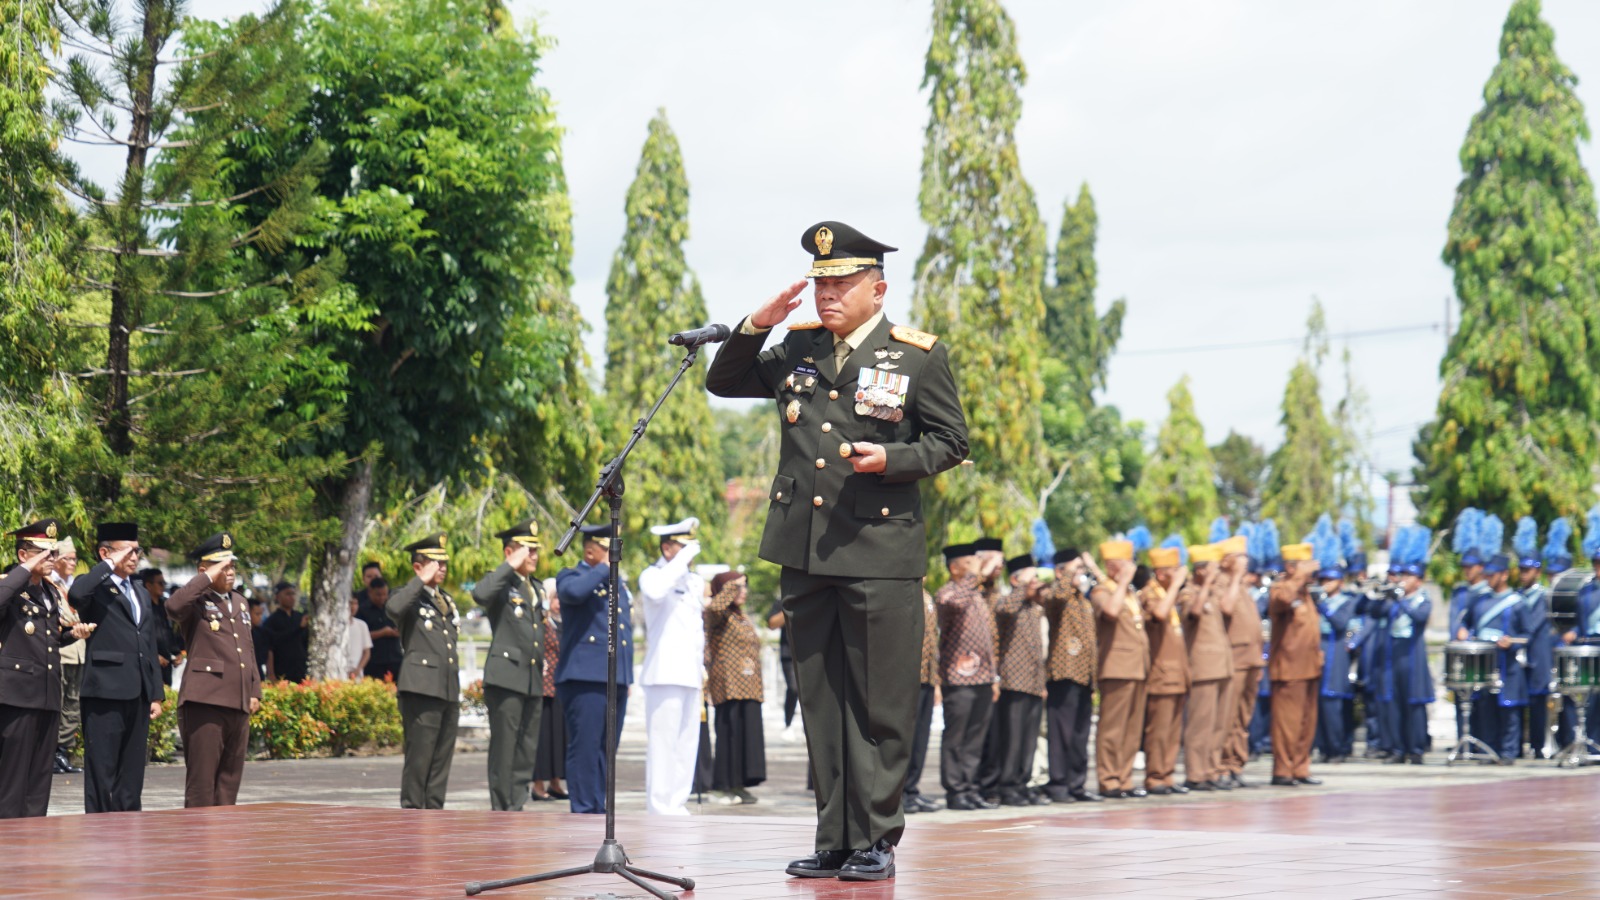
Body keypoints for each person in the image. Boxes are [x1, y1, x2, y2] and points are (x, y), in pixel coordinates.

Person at [706, 220, 967, 882]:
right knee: (821, 699)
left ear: (876, 290)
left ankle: (877, 837)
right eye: (821, 284)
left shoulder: (916, 357)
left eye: (842, 284)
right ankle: (835, 838)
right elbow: (725, 381)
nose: (827, 296)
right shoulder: (798, 349)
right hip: (807, 553)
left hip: (879, 552)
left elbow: (951, 441)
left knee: (880, 704)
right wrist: (754, 324)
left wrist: (895, 457)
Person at [68, 522, 164, 813]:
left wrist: (156, 692)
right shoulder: (95, 586)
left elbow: (148, 644)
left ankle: (129, 827)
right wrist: (108, 565)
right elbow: (75, 596)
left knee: (132, 770)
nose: (134, 557)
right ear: (104, 553)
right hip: (104, 690)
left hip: (138, 691)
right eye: (128, 551)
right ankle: (98, 827)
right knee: (102, 768)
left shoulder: (140, 591)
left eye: (138, 551)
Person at [1, 520, 92, 817]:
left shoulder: (50, 593)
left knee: (40, 779)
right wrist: (25, 570)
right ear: (23, 556)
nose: (51, 559)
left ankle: (32, 839)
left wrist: (71, 635)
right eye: (44, 553)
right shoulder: (11, 586)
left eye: (52, 553)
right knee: (12, 779)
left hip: (47, 694)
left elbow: (48, 639)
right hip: (18, 696)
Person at [166, 531, 262, 807]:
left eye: (232, 566)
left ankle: (222, 844)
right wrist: (208, 577)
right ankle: (196, 845)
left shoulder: (241, 602)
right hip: (205, 700)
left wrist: (255, 689)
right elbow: (173, 607)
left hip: (238, 700)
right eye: (223, 567)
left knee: (228, 784)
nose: (230, 572)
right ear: (203, 570)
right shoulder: (195, 600)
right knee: (202, 784)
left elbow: (248, 648)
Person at [554, 523, 633, 815]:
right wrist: (605, 568)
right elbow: (573, 593)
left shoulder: (617, 583)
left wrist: (627, 677)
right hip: (584, 677)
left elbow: (623, 631)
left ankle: (600, 809)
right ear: (591, 550)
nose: (616, 555)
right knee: (586, 748)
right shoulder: (571, 575)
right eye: (609, 548)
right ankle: (585, 809)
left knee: (606, 750)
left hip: (614, 678)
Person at [470, 518, 547, 811]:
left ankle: (516, 806)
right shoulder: (501, 582)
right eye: (527, 549)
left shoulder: (534, 587)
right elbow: (480, 594)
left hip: (531, 677)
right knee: (504, 750)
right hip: (506, 678)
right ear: (510, 552)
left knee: (526, 749)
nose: (534, 555)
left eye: (535, 550)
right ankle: (502, 810)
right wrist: (508, 566)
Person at [638, 517, 706, 816]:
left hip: (689, 673)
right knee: (663, 745)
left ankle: (677, 803)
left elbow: (696, 629)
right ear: (667, 548)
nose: (689, 554)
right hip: (664, 672)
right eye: (682, 546)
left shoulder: (692, 581)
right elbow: (655, 593)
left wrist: (701, 665)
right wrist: (682, 560)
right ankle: (658, 806)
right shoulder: (652, 575)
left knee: (686, 744)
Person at [389, 532, 462, 808]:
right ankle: (411, 818)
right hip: (421, 688)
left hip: (447, 688)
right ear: (418, 567)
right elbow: (393, 608)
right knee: (419, 761)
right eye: (435, 562)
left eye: (444, 563)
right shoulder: (407, 596)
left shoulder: (446, 600)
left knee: (441, 763)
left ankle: (434, 815)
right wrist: (419, 581)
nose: (442, 568)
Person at [935, 544, 1000, 812]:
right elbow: (952, 602)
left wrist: (994, 676)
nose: (977, 568)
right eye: (970, 563)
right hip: (958, 678)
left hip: (984, 678)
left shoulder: (978, 596)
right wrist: (979, 571)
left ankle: (970, 787)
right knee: (957, 737)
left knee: (975, 739)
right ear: (954, 568)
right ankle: (955, 790)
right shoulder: (949, 593)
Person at [1091, 531, 1149, 799]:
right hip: (1116, 667)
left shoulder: (1129, 593)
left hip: (1138, 667)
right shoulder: (1103, 591)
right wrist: (1124, 579)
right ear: (1113, 565)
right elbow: (1110, 613)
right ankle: (1109, 779)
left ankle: (1125, 778)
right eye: (1127, 562)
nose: (1132, 567)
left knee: (1132, 728)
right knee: (1113, 728)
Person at [1459, 552, 1531, 763]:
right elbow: (1467, 624)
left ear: (1505, 575)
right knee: (1486, 708)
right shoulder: (1479, 602)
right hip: (1484, 663)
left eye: (1493, 575)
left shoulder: (1517, 603)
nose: (1488, 579)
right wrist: (1465, 632)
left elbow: (1528, 635)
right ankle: (1489, 749)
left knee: (1509, 710)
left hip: (1507, 663)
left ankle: (1508, 752)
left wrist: (1512, 641)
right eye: (1487, 575)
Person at [990, 554, 1049, 806]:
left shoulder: (1034, 608)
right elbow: (1004, 609)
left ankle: (1023, 783)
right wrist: (1022, 585)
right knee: (1013, 739)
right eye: (1030, 576)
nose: (1035, 581)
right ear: (1015, 579)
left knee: (1028, 739)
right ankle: (1008, 785)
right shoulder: (1008, 602)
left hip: (1035, 683)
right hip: (1014, 682)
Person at [1040, 549, 1098, 803]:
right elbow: (1055, 596)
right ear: (1060, 571)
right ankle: (1058, 784)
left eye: (1082, 570)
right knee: (1060, 733)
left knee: (1079, 734)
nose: (1081, 574)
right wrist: (1068, 573)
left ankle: (1077, 784)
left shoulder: (1083, 600)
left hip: (1084, 675)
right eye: (1077, 570)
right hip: (1063, 673)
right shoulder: (1056, 595)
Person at [1268, 534, 1325, 787]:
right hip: (1289, 669)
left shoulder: (1305, 591)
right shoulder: (1281, 587)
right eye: (1305, 564)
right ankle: (1283, 770)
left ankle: (1300, 767)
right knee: (1287, 724)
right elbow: (1281, 601)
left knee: (1306, 722)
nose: (1312, 569)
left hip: (1309, 667)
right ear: (1291, 567)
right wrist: (1299, 576)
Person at [704, 571, 766, 804]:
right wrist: (731, 587)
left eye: (744, 587)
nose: (744, 591)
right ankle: (722, 786)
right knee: (728, 734)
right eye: (738, 587)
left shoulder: (741, 617)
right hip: (728, 685)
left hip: (749, 687)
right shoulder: (718, 615)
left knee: (746, 738)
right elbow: (714, 608)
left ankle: (739, 784)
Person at [1182, 537, 1233, 791]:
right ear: (1200, 569)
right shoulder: (1189, 592)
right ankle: (1195, 772)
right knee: (1200, 724)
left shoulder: (1215, 592)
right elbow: (1193, 611)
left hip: (1222, 665)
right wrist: (1207, 584)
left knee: (1218, 724)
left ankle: (1211, 770)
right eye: (1212, 567)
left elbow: (1229, 606)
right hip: (1202, 667)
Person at [1378, 525, 1433, 765]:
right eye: (1403, 576)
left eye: (1409, 576)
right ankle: (1398, 748)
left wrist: (1402, 601)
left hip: (1413, 655)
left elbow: (1420, 618)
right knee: (1395, 703)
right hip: (1394, 655)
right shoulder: (1395, 598)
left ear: (1419, 581)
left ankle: (1416, 748)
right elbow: (1374, 611)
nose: (1403, 580)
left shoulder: (1422, 599)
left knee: (1414, 704)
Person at [1141, 537, 1191, 796]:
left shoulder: (1169, 595)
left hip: (1177, 673)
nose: (1179, 575)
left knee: (1172, 730)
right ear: (1160, 574)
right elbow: (1159, 614)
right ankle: (1155, 776)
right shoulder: (1151, 593)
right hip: (1161, 674)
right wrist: (1175, 587)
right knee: (1159, 730)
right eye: (1173, 571)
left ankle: (1168, 774)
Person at [1217, 527, 1262, 788]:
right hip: (1234, 659)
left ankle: (1236, 764)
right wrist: (1234, 577)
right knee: (1228, 716)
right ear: (1227, 560)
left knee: (1242, 718)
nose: (1245, 561)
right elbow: (1226, 608)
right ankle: (1222, 765)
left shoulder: (1244, 586)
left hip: (1252, 659)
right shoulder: (1224, 583)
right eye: (1240, 556)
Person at [1313, 529, 1359, 764]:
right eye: (1322, 580)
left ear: (1340, 582)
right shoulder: (1317, 600)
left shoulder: (1347, 601)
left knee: (1333, 704)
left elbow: (1340, 623)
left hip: (1336, 650)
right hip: (1318, 649)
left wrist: (1323, 606)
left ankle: (1338, 748)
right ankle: (1324, 748)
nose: (1325, 584)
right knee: (1319, 704)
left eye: (1329, 580)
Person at [1515, 517, 1554, 758]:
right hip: (1520, 657)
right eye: (1520, 569)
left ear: (1537, 572)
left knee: (1538, 704)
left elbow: (1532, 625)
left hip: (1538, 655)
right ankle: (1519, 745)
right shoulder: (1517, 595)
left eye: (1527, 570)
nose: (1523, 574)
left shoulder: (1543, 596)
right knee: (1519, 702)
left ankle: (1538, 747)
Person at [902, 579, 941, 814]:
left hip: (927, 676)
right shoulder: (902, 594)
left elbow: (933, 641)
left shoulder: (927, 596)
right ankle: (899, 793)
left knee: (920, 739)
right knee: (905, 739)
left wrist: (936, 681)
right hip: (907, 677)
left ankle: (911, 790)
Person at [50, 536, 85, 774]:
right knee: (57, 702)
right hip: (60, 653)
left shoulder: (75, 585)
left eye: (74, 559)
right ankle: (51, 753)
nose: (73, 563)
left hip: (78, 652)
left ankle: (62, 751)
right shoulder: (50, 584)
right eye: (68, 559)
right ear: (57, 560)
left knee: (73, 705)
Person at [530, 587, 567, 802]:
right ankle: (537, 785)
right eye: (555, 599)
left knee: (558, 738)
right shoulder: (542, 624)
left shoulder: (565, 623)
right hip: (544, 687)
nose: (559, 603)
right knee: (542, 738)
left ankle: (555, 782)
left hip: (561, 686)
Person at [261, 582, 309, 682]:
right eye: (287, 594)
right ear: (278, 597)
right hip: (282, 671)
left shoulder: (299, 617)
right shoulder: (272, 620)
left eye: (293, 594)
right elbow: (271, 646)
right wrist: (271, 674)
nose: (291, 597)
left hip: (301, 670)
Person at [357, 578, 401, 682]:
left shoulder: (392, 608)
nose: (382, 597)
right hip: (375, 661)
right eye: (378, 595)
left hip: (395, 658)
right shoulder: (362, 610)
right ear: (370, 592)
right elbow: (360, 637)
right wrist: (382, 633)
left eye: (385, 594)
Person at [341, 597, 372, 680]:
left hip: (356, 673)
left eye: (355, 603)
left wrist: (358, 669)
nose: (353, 607)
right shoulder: (336, 627)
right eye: (350, 603)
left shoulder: (362, 625)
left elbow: (367, 652)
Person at [248, 596, 270, 680]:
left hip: (258, 672)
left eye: (261, 614)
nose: (260, 617)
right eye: (257, 614)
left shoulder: (262, 633)